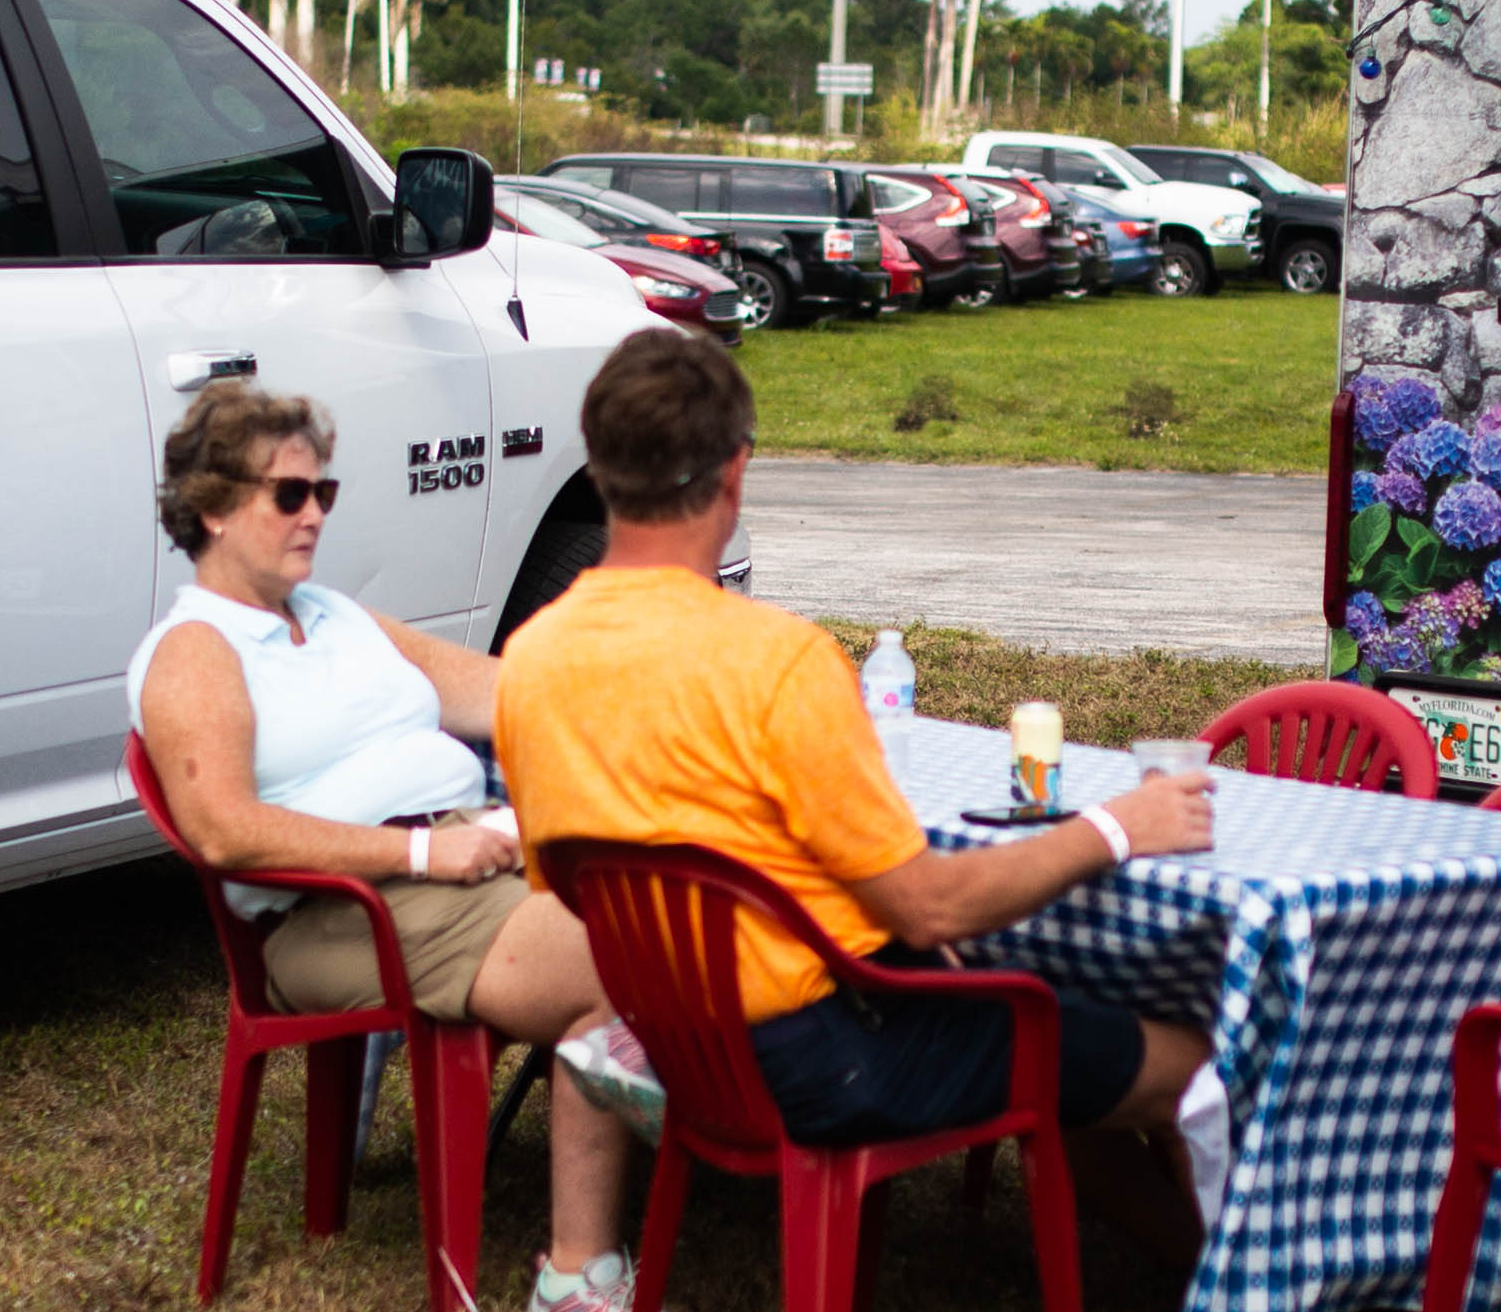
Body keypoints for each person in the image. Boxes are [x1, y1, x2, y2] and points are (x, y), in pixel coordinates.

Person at [495, 328, 1213, 1242]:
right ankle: (1239, 1293)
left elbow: (583, 880)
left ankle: (1177, 1266)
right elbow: (931, 907)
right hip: (825, 1053)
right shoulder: (777, 660)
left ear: (597, 468)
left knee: (1043, 1017)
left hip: (681, 1040)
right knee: (1194, 1059)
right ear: (736, 470)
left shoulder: (531, 657)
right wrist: (1120, 825)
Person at [128, 380, 693, 1312]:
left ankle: (687, 1107)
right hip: (342, 908)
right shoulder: (193, 651)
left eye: (323, 493)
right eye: (288, 495)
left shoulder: (334, 615)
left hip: (462, 851)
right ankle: (576, 1279)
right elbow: (225, 831)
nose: (314, 515)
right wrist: (420, 850)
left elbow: (498, 690)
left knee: (693, 901)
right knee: (630, 960)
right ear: (214, 508)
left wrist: (649, 686)